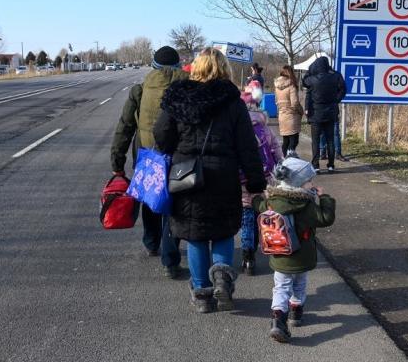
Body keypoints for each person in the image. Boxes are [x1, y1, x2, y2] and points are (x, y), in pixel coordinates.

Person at [154, 48, 266, 313]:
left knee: (195, 235)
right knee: (223, 231)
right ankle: (223, 281)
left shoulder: (177, 98)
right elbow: (247, 146)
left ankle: (203, 294)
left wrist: (175, 150)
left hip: (187, 176)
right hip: (223, 175)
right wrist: (255, 182)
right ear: (223, 69)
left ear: (196, 68)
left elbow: (161, 134)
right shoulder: (233, 101)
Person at [110, 46, 188, 279]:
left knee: (151, 198)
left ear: (153, 66)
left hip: (146, 155)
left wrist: (117, 160)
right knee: (174, 205)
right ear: (178, 66)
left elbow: (125, 126)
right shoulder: (186, 88)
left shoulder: (140, 90)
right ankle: (170, 260)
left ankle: (151, 241)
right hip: (178, 156)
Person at [252, 157, 336, 343]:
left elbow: (259, 206)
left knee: (280, 287)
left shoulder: (272, 202)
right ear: (299, 183)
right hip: (302, 257)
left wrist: (258, 198)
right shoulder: (306, 206)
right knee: (299, 284)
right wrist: (324, 198)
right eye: (309, 181)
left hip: (279, 255)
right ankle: (295, 314)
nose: (311, 184)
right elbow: (326, 218)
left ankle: (277, 319)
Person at [239, 81, 283, 276]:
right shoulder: (265, 128)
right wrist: (280, 168)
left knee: (246, 215)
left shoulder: (237, 128)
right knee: (261, 214)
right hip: (264, 176)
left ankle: (247, 255)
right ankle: (261, 246)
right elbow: (276, 150)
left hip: (242, 179)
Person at [302, 56, 346, 173]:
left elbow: (304, 81)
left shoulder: (313, 79)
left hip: (316, 114)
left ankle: (316, 165)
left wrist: (310, 69)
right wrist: (336, 100)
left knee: (316, 140)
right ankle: (331, 165)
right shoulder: (335, 76)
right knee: (330, 139)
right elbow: (343, 89)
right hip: (331, 113)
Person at [274, 65, 302, 157]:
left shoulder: (277, 86)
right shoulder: (291, 86)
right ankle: (290, 159)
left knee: (285, 141)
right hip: (291, 116)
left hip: (282, 115)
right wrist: (300, 111)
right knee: (294, 140)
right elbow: (295, 103)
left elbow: (276, 101)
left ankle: (283, 160)